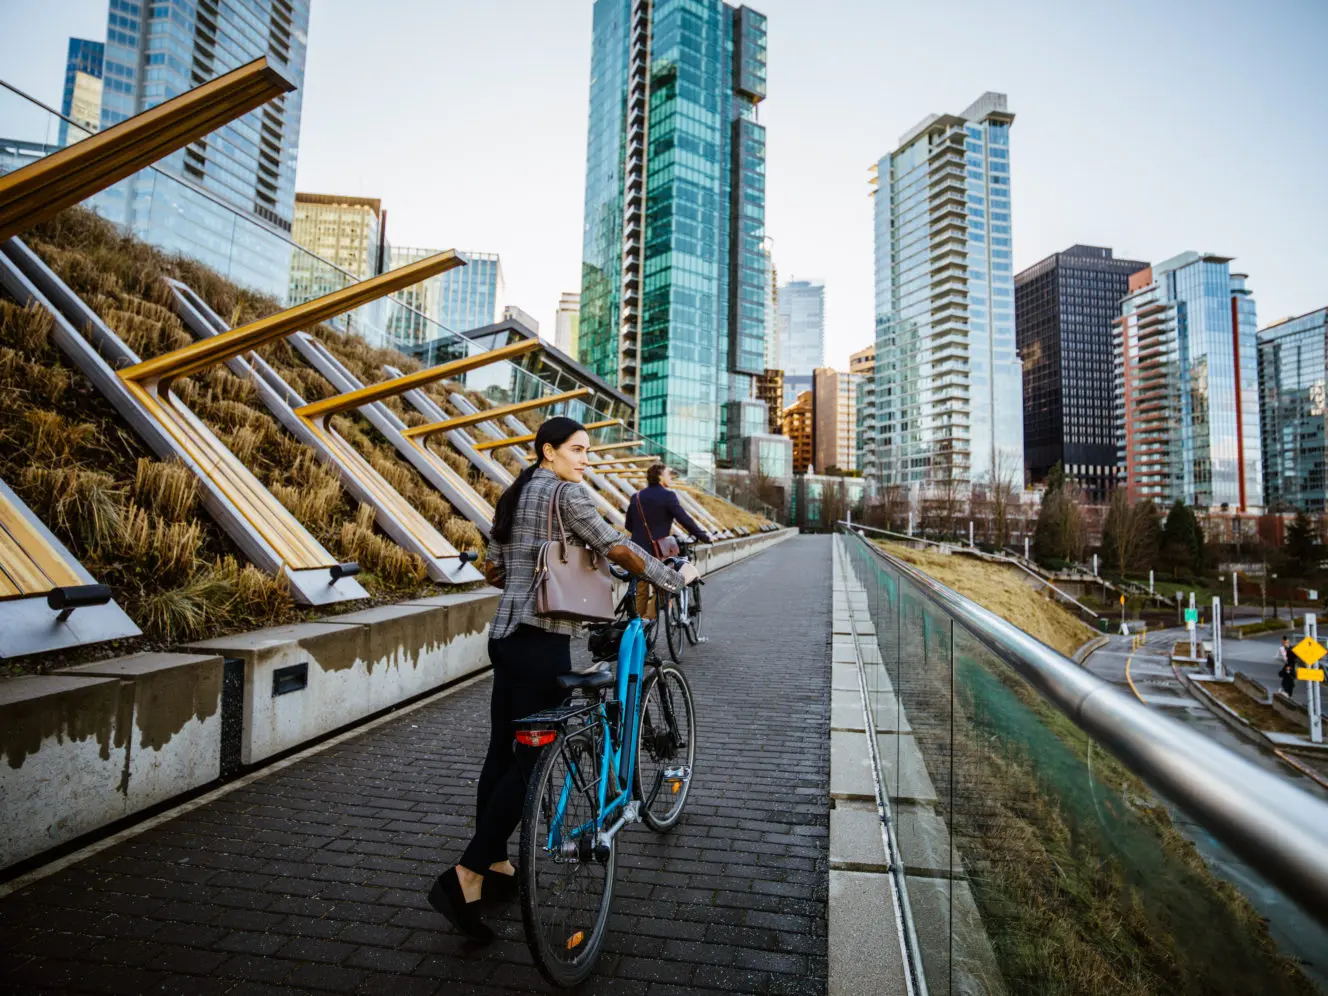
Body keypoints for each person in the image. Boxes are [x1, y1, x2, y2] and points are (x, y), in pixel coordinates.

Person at [428, 416, 698, 942]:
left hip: (505, 638)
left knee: (500, 755)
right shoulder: (565, 494)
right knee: (531, 765)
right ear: (548, 450)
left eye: (588, 452)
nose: (584, 459)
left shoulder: (517, 491)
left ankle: (498, 865)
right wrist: (670, 576)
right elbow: (614, 544)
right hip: (540, 642)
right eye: (576, 449)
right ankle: (466, 874)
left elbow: (493, 566)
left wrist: (533, 567)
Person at [624, 462, 711, 619]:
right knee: (663, 590)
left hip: (636, 552)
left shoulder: (636, 497)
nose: (670, 477)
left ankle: (637, 629)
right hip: (659, 555)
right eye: (668, 474)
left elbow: (628, 525)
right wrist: (702, 535)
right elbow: (684, 519)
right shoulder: (668, 496)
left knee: (640, 592)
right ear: (659, 477)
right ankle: (648, 621)